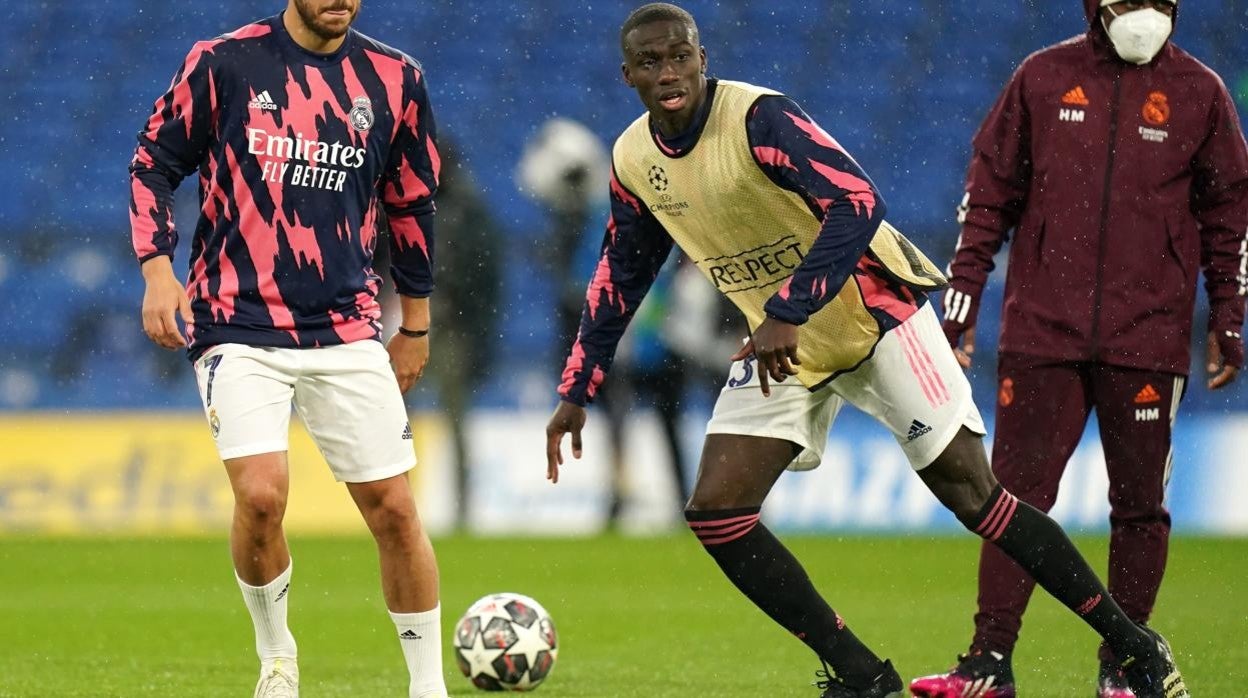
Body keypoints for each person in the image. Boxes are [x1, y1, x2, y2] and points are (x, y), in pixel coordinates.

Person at [542, 4, 1188, 697]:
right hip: (786, 345)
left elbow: (857, 201)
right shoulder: (634, 159)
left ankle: (1136, 650)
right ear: (627, 75)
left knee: (976, 498)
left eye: (679, 56)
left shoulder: (759, 119)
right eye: (650, 62)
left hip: (874, 315)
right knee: (718, 511)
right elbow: (623, 271)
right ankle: (861, 675)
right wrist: (577, 388)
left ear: (703, 59)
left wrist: (789, 309)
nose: (668, 72)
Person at [910, 1, 1248, 697]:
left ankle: (1125, 667)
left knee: (1138, 508)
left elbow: (1229, 215)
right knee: (1014, 501)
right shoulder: (1042, 77)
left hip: (1149, 338)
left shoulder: (1202, 93)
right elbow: (988, 194)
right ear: (1095, 6)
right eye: (1129, 2)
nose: (1145, 16)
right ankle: (988, 664)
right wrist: (963, 300)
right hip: (1042, 333)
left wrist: (1230, 316)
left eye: (1159, 1)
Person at [128, 2, 448, 696]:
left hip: (346, 325)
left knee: (393, 507)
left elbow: (412, 202)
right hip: (235, 322)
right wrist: (158, 269)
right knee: (264, 495)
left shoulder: (396, 77)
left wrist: (415, 324)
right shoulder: (224, 63)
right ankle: (277, 659)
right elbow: (153, 160)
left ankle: (429, 687)